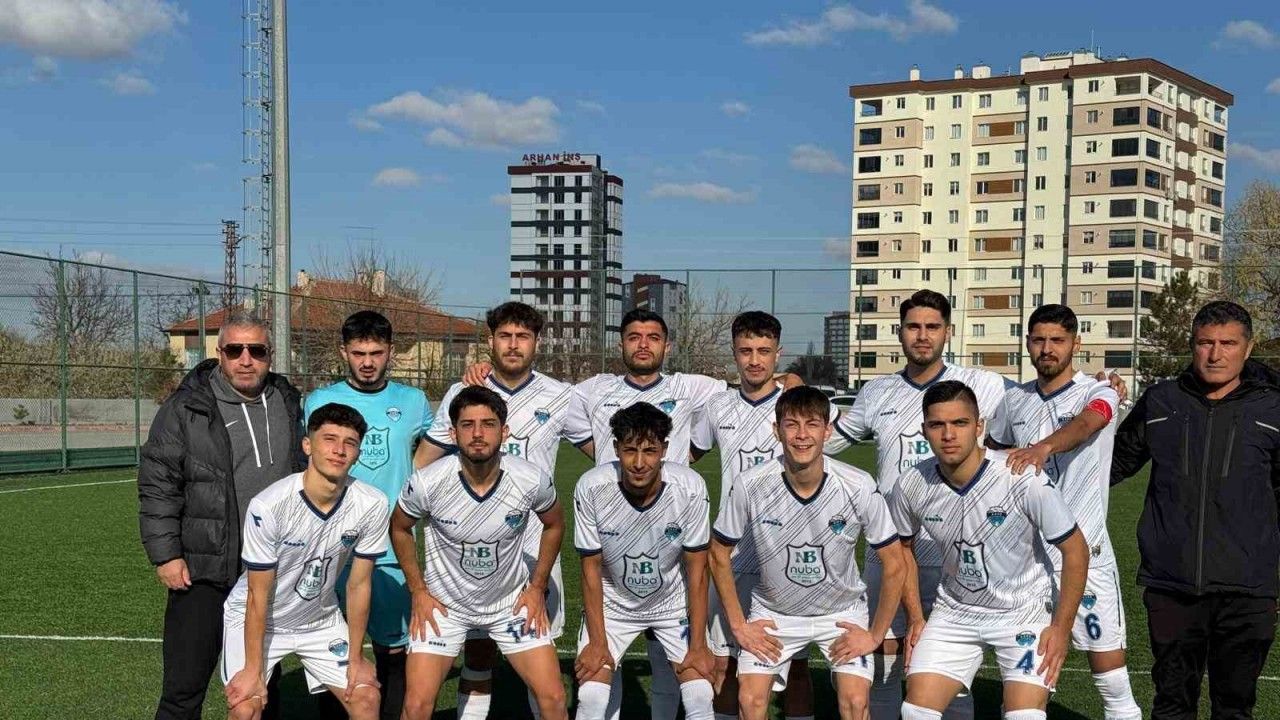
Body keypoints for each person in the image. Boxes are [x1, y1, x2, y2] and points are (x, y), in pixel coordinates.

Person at [821, 290, 1008, 720]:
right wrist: (790, 400)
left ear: (948, 331)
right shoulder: (877, 392)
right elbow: (825, 443)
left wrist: (1096, 388)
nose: (922, 336)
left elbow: (1034, 405)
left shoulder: (983, 385)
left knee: (950, 668)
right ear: (900, 332)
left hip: (955, 552)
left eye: (932, 327)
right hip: (889, 550)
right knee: (884, 656)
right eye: (913, 327)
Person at [1111, 300, 1280, 720]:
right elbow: (1109, 466)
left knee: (1235, 707)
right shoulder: (1161, 401)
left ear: (1248, 347)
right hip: (1171, 584)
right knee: (1171, 705)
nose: (1216, 354)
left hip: (1247, 588)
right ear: (1192, 345)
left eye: (1228, 343)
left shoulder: (1273, 407)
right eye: (1206, 343)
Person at [139, 310, 305, 720]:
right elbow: (158, 482)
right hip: (203, 568)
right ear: (220, 353)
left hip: (267, 568)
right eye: (235, 350)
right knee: (183, 689)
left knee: (262, 685)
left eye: (257, 350)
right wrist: (166, 555)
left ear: (270, 354)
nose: (246, 360)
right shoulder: (186, 407)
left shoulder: (287, 400)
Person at [891, 381, 1089, 720]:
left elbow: (1076, 551)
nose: (948, 435)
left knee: (1023, 717)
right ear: (924, 431)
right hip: (955, 612)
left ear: (979, 427)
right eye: (937, 425)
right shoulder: (912, 483)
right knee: (915, 711)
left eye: (960, 423)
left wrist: (1060, 629)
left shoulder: (1021, 477)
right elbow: (901, 548)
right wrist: (915, 617)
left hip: (1023, 611)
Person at [709, 386, 907, 720]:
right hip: (775, 613)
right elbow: (718, 553)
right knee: (750, 700)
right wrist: (739, 626)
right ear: (776, 430)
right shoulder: (750, 484)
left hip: (841, 614)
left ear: (827, 431)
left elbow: (895, 563)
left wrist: (875, 635)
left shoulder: (858, 484)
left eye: (812, 424)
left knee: (855, 702)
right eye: (792, 425)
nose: (802, 435)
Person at [418, 301, 574, 720]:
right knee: (478, 652)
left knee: (539, 660)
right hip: (469, 548)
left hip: (533, 550)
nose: (513, 345)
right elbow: (423, 463)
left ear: (537, 342)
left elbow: (603, 448)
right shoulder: (463, 393)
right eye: (505, 336)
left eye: (523, 336)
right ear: (490, 340)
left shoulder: (561, 396)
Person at [986, 304, 1141, 720]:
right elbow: (993, 452)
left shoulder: (1098, 391)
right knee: (1026, 683)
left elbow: (1089, 423)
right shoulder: (1013, 400)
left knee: (1112, 682)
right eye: (1039, 340)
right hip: (1027, 562)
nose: (1047, 348)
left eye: (1057, 340)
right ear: (1027, 344)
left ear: (1076, 343)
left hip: (1087, 555)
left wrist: (1044, 447)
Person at [389, 386, 568, 720]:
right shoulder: (427, 482)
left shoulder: (530, 479)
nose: (477, 433)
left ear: (505, 431)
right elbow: (399, 527)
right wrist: (418, 591)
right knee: (415, 706)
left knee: (554, 699)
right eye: (467, 424)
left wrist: (537, 587)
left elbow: (555, 523)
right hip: (445, 607)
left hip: (510, 606)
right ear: (453, 433)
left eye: (488, 424)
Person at [220, 402, 389, 720]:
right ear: (307, 445)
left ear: (358, 453)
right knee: (245, 707)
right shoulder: (269, 506)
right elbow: (257, 595)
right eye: (329, 439)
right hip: (259, 619)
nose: (339, 450)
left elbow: (358, 585)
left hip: (319, 620)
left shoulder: (372, 503)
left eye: (350, 443)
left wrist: (356, 657)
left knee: (366, 698)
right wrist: (253, 670)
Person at [305, 310, 432, 720]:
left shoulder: (413, 401)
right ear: (344, 351)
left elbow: (440, 447)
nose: (367, 362)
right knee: (333, 649)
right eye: (358, 353)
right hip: (333, 544)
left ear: (390, 352)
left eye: (376, 353)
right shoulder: (318, 401)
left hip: (392, 543)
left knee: (392, 650)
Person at [690, 311, 816, 720]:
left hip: (786, 549)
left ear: (779, 354)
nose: (755, 360)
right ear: (734, 353)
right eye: (746, 351)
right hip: (732, 552)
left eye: (764, 350)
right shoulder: (718, 407)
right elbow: (687, 456)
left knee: (796, 668)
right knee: (724, 662)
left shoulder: (794, 405)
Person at [573, 403, 715, 720]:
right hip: (614, 606)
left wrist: (698, 646)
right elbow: (590, 570)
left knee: (700, 694)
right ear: (616, 449)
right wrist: (597, 643)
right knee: (592, 695)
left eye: (650, 451)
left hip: (671, 605)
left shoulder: (690, 488)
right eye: (630, 450)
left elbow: (698, 571)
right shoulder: (591, 487)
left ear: (664, 449)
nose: (639, 463)